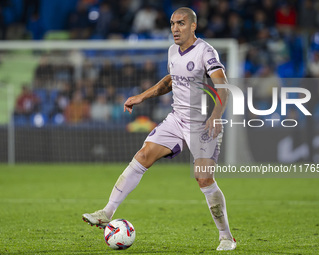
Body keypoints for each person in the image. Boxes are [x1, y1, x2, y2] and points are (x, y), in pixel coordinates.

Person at [82, 7, 236, 251]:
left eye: (181, 23)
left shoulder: (206, 52)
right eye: (172, 23)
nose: (175, 28)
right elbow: (171, 80)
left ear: (193, 26)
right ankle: (107, 212)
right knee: (142, 156)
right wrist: (141, 97)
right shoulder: (173, 50)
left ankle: (226, 236)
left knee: (204, 179)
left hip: (202, 122)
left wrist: (216, 115)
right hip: (176, 119)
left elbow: (223, 86)